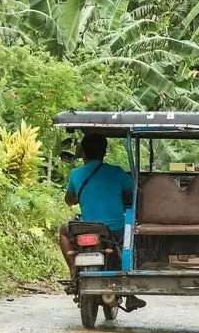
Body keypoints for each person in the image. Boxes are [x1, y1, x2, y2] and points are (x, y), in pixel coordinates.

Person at [60, 133, 146, 311]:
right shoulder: (117, 172)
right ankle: (130, 292)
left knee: (63, 231)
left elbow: (69, 200)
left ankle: (73, 272)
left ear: (82, 152)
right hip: (115, 229)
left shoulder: (76, 174)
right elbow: (132, 195)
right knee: (129, 246)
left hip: (84, 228)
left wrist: (78, 198)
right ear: (104, 151)